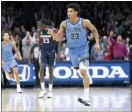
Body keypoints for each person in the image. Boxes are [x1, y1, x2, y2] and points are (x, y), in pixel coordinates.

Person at [46, 3, 100, 106]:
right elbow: (58, 38)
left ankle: (87, 98)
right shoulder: (64, 24)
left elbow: (94, 30)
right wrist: (52, 34)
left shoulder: (84, 22)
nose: (69, 13)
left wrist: (97, 43)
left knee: (83, 71)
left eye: (71, 11)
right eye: (68, 12)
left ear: (76, 12)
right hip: (72, 51)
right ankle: (87, 76)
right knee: (81, 72)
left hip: (83, 49)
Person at [37, 19, 58, 98]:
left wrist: (57, 51)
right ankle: (42, 90)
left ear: (44, 25)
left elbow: (57, 40)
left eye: (40, 25)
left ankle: (50, 91)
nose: (39, 26)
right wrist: (40, 49)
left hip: (51, 51)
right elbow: (39, 41)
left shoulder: (53, 30)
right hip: (43, 51)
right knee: (41, 69)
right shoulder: (39, 31)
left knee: (50, 70)